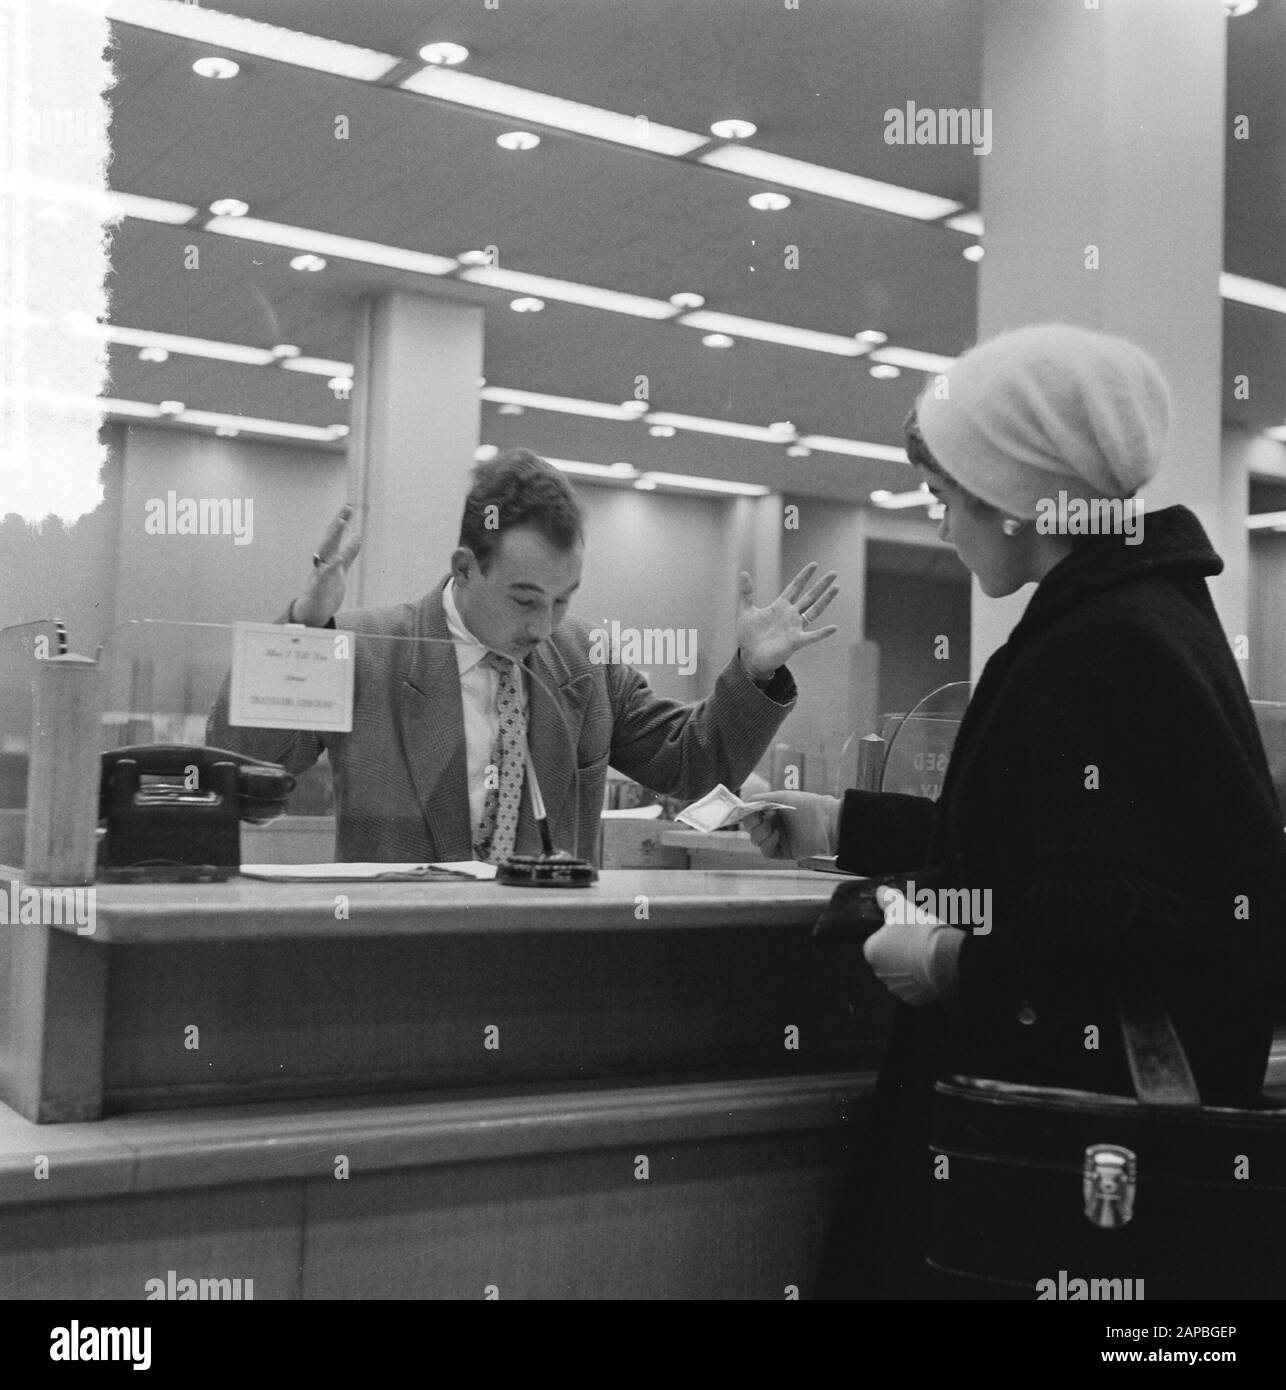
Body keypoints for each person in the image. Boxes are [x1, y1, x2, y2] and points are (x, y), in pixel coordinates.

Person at [745, 323, 1286, 1297]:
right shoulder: (1152, 613)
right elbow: (1048, 845)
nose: (941, 523)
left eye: (947, 494)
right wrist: (841, 825)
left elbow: (1125, 918)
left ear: (1020, 495)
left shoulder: (1098, 644)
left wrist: (951, 956)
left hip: (1045, 1158)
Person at [208, 449, 838, 864]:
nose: (543, 626)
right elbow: (244, 770)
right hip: (397, 960)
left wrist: (753, 672)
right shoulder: (369, 648)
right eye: (525, 599)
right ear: (464, 568)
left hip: (546, 959)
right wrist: (304, 630)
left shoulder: (586, 660)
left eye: (563, 600)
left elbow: (693, 767)